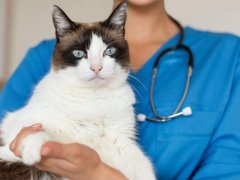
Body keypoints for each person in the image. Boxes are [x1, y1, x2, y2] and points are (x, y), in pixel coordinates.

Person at [1, 0, 240, 179]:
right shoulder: (41, 58)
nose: (95, 67)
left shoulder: (228, 56)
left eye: (107, 54)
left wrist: (99, 174)